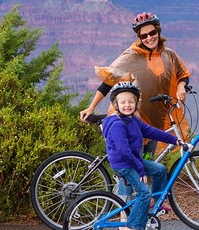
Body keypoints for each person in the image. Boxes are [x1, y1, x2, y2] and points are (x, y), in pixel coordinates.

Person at [79, 12, 190, 197]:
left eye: (152, 33)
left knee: (146, 163)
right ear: (139, 37)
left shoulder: (169, 55)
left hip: (153, 121)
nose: (149, 38)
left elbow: (183, 74)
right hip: (129, 122)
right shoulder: (131, 56)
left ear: (158, 31)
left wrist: (181, 87)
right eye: (143, 35)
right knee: (130, 168)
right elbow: (108, 81)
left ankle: (142, 209)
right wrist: (91, 107)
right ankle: (125, 214)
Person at [102, 81, 182, 230]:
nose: (127, 105)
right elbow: (124, 152)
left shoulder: (133, 121)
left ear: (136, 103)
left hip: (132, 161)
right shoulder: (117, 124)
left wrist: (175, 140)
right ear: (115, 105)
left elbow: (152, 132)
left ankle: (153, 201)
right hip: (124, 165)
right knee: (143, 192)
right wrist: (140, 170)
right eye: (123, 102)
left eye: (131, 101)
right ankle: (131, 227)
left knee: (159, 169)